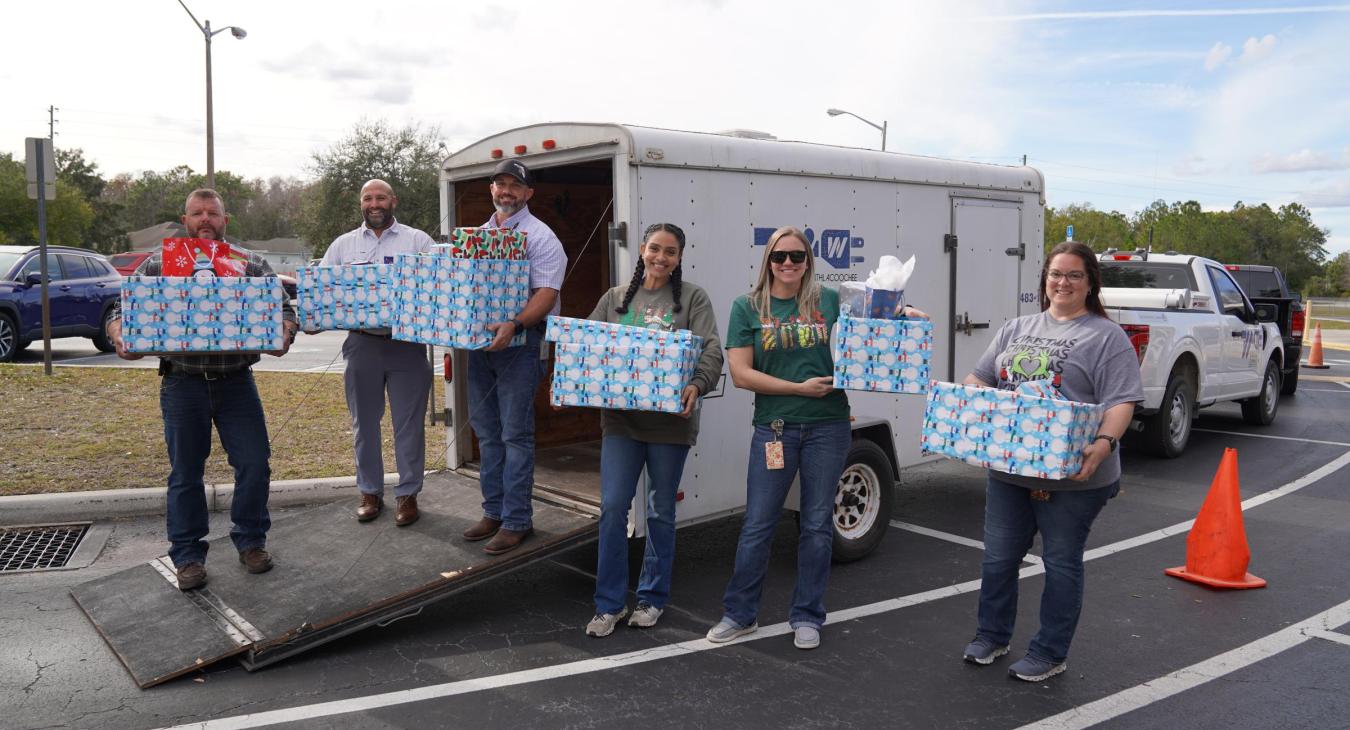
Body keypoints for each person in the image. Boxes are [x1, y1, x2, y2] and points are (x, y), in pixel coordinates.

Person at [705, 226, 924, 651]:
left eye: (797, 256)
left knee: (818, 526)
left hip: (829, 427)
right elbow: (741, 374)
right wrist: (797, 389)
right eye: (779, 257)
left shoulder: (829, 299)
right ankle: (740, 613)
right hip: (775, 429)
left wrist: (908, 316)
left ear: (809, 261)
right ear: (767, 261)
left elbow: (874, 320)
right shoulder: (747, 307)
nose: (788, 264)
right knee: (757, 525)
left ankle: (807, 615)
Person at [959, 240, 1143, 681]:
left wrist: (1104, 443)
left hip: (1075, 475)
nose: (1063, 282)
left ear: (1090, 283)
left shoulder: (1106, 336)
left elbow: (1121, 402)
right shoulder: (1016, 328)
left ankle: (1050, 651)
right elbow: (978, 379)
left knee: (1061, 563)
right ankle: (992, 635)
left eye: (1074, 275)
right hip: (1010, 470)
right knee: (999, 558)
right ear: (1044, 279)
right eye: (1056, 274)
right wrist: (976, 410)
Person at [108, 188, 299, 591]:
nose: (206, 219)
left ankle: (251, 541)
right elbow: (120, 308)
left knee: (254, 463)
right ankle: (188, 555)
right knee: (186, 473)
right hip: (182, 383)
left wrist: (283, 331)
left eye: (213, 213)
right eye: (198, 213)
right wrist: (118, 334)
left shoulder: (249, 264)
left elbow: (283, 308)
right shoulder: (160, 264)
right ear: (186, 219)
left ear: (225, 220)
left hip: (236, 383)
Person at [583, 223, 724, 637]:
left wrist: (697, 384)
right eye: (654, 249)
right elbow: (587, 340)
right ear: (642, 250)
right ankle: (608, 605)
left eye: (671, 252)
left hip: (670, 427)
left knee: (661, 511)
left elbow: (711, 347)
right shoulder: (614, 299)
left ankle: (651, 598)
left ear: (680, 257)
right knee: (612, 509)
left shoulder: (692, 298)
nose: (661, 257)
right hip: (622, 423)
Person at [461, 159, 567, 555]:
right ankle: (494, 511)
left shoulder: (540, 237)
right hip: (482, 345)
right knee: (487, 433)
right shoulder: (480, 236)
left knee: (514, 436)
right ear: (492, 189)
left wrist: (515, 325)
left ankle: (517, 520)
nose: (506, 191)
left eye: (514, 186)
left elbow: (547, 293)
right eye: (500, 184)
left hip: (521, 345)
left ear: (528, 194)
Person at [319, 179, 436, 527]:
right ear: (361, 204)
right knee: (364, 424)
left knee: (409, 426)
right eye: (368, 198)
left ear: (393, 201)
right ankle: (370, 492)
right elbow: (323, 289)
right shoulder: (343, 246)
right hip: (362, 345)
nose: (374, 203)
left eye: (381, 197)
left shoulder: (418, 241)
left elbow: (440, 287)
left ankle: (408, 494)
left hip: (407, 346)